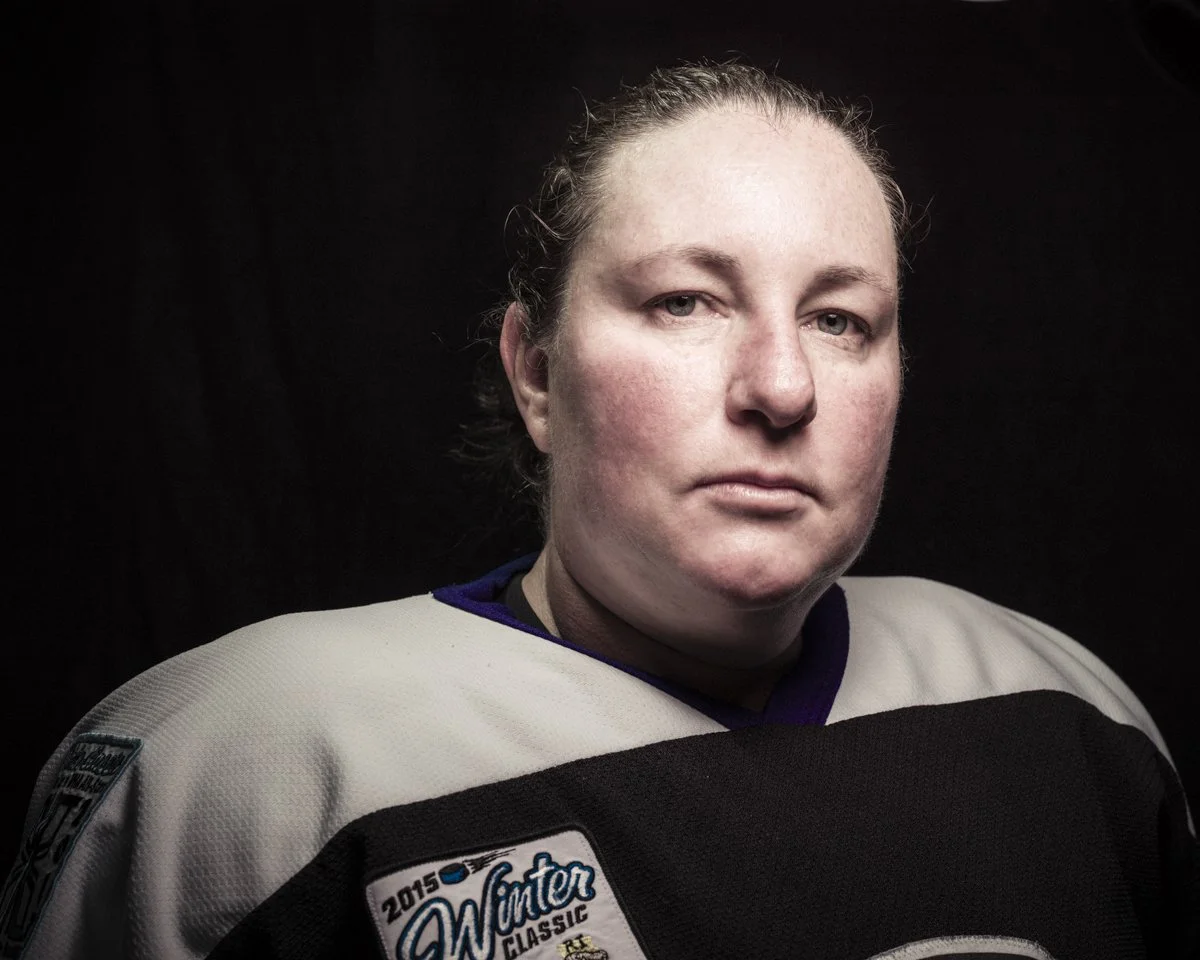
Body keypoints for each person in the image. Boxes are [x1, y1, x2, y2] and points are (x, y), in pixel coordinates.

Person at [1, 61, 1194, 960]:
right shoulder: (241, 775)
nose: (781, 387)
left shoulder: (1061, 709)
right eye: (684, 301)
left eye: (841, 320)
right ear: (535, 373)